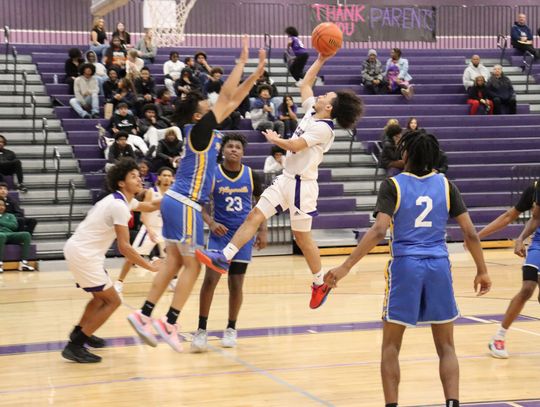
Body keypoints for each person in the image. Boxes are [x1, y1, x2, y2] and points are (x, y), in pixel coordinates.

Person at [323, 130, 491, 407]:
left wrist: (345, 266)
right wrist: (482, 270)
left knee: (390, 347)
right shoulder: (446, 185)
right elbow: (470, 234)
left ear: (406, 154)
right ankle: (452, 404)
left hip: (406, 266)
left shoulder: (394, 185)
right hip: (438, 264)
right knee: (447, 346)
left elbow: (378, 230)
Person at [126, 36, 267, 352]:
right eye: (206, 105)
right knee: (193, 266)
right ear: (197, 115)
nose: (212, 104)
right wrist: (242, 63)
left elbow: (233, 100)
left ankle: (144, 314)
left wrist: (256, 76)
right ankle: (170, 323)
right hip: (186, 203)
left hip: (177, 203)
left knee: (174, 262)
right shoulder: (200, 132)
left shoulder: (207, 131)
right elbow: (227, 94)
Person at [197, 51, 364, 310]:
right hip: (286, 178)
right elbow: (305, 83)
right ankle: (224, 257)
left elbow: (296, 145)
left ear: (329, 107)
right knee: (254, 215)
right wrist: (321, 58)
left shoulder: (324, 129)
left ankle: (319, 281)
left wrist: (276, 140)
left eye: (326, 96)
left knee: (302, 238)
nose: (321, 94)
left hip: (302, 186)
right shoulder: (312, 111)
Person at [62, 158, 160, 363]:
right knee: (113, 300)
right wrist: (149, 266)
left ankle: (79, 332)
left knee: (99, 298)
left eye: (139, 175)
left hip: (83, 252)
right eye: (133, 176)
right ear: (121, 183)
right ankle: (76, 345)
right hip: (84, 254)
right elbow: (124, 247)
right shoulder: (118, 206)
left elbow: (150, 206)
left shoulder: (124, 200)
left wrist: (176, 198)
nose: (139, 178)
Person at [191, 133, 267, 352]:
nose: (234, 150)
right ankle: (201, 330)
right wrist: (211, 223)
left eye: (238, 147)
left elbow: (263, 205)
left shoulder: (252, 175)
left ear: (243, 152)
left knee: (236, 285)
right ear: (223, 150)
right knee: (210, 281)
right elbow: (201, 205)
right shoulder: (212, 174)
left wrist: (262, 230)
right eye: (230, 146)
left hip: (243, 235)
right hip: (220, 235)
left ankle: (231, 329)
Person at [473, 181, 540, 358]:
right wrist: (520, 238)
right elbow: (527, 217)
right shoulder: (536, 188)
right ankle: (499, 338)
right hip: (539, 245)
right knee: (527, 288)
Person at [114, 166, 174, 294]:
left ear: (173, 178)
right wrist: (149, 230)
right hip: (150, 229)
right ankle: (119, 282)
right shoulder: (152, 192)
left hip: (166, 230)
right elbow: (143, 214)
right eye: (164, 175)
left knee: (170, 258)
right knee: (132, 257)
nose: (167, 178)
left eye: (169, 175)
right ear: (158, 177)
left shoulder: (173, 194)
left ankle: (172, 280)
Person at [0, 199, 34, 273]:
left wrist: (1, 222)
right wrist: (6, 224)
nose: (1, 207)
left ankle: (24, 263)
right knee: (1, 235)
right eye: (0, 205)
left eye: (3, 205)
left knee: (26, 234)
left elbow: (14, 226)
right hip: (1, 235)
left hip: (10, 234)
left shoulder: (10, 215)